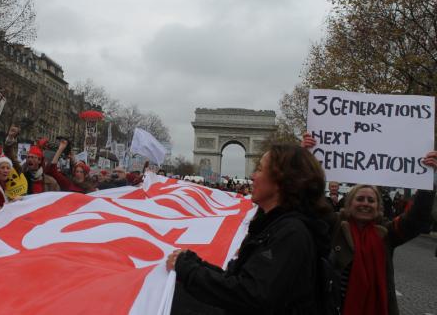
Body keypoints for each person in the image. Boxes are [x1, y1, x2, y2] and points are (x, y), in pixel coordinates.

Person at [166, 144, 332, 314]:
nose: (252, 176)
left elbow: (250, 295)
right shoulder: (274, 227)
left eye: (259, 169)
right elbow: (240, 280)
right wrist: (194, 263)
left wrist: (189, 270)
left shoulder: (291, 233)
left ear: (280, 181)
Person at [302, 132, 437, 314]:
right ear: (349, 203)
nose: (365, 203)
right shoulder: (333, 223)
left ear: (378, 207)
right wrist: (305, 160)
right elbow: (308, 202)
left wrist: (428, 179)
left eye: (371, 200)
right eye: (360, 199)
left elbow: (416, 219)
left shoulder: (388, 232)